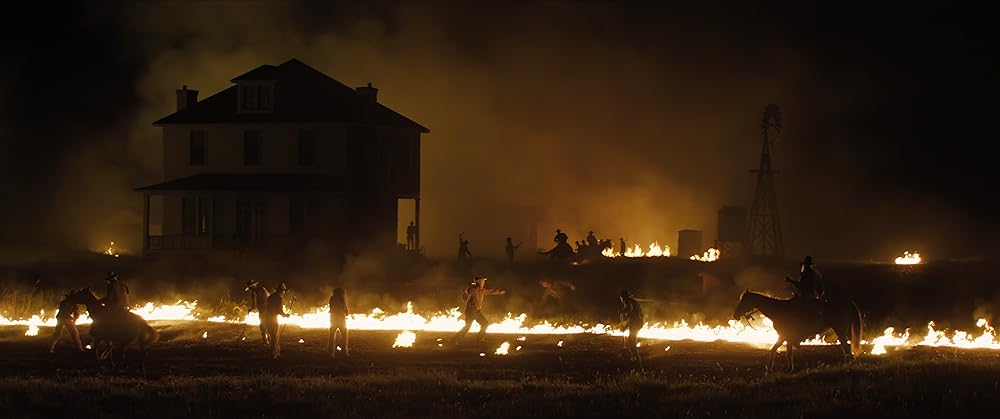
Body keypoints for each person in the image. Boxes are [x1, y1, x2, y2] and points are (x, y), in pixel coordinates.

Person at [453, 275, 506, 344]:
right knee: (468, 326)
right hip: (471, 311)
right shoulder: (472, 290)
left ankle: (479, 339)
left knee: (484, 323)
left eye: (483, 281)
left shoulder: (482, 290)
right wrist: (465, 293)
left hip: (477, 311)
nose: (483, 283)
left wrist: (499, 292)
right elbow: (465, 298)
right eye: (482, 281)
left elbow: (490, 291)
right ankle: (456, 339)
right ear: (478, 282)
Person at [264, 283, 290, 359]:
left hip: (267, 318)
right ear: (281, 291)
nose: (284, 292)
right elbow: (279, 310)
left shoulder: (271, 297)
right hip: (273, 318)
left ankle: (275, 353)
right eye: (284, 291)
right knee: (275, 337)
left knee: (272, 336)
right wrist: (285, 315)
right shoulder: (279, 298)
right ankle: (273, 354)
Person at [619, 289, 644, 361]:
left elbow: (630, 310)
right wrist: (625, 327)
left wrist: (623, 311)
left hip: (636, 323)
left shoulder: (627, 301)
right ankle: (635, 357)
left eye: (621, 298)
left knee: (631, 340)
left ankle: (636, 358)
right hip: (638, 322)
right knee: (632, 339)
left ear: (622, 297)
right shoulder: (633, 301)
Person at [244, 280, 271, 345]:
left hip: (262, 311)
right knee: (268, 325)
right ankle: (270, 339)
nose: (249, 289)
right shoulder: (263, 289)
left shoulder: (254, 293)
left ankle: (265, 340)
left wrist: (250, 309)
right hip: (269, 310)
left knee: (263, 326)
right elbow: (269, 297)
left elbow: (254, 305)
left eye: (249, 287)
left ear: (252, 287)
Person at [328, 288, 350, 358]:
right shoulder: (342, 298)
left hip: (333, 319)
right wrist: (346, 313)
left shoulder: (332, 298)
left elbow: (331, 307)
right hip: (340, 319)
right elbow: (344, 307)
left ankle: (331, 353)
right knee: (344, 336)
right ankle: (344, 352)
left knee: (332, 336)